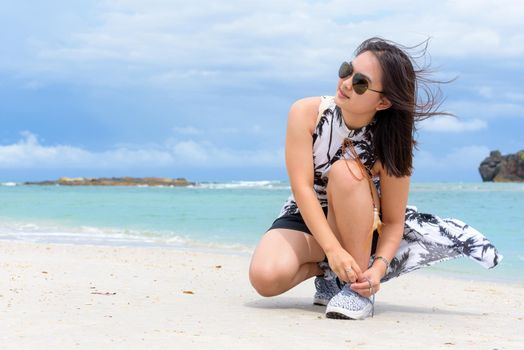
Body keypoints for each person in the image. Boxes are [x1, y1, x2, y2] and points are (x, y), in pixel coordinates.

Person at [248, 37, 502, 320]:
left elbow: (393, 221)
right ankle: (331, 272)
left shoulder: (391, 143)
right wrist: (332, 251)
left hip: (360, 223)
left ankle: (356, 289)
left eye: (360, 83)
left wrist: (378, 269)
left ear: (382, 102)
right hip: (307, 214)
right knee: (265, 278)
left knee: (347, 170)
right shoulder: (307, 113)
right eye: (346, 70)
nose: (346, 83)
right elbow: (302, 189)